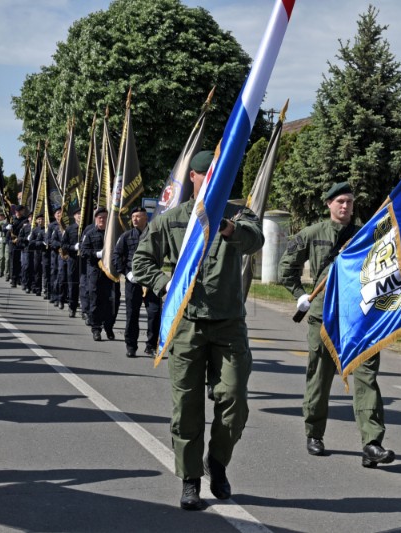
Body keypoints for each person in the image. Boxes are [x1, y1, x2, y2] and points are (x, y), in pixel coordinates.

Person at [132, 151, 264, 510]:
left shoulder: (237, 215)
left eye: (219, 176)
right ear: (193, 177)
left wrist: (228, 228)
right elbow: (140, 261)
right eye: (206, 175)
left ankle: (216, 463)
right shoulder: (171, 220)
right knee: (186, 406)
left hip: (228, 323)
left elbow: (256, 240)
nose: (212, 181)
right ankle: (190, 479)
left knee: (234, 401)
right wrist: (166, 283)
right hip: (186, 323)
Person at [277, 182, 394, 468]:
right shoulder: (312, 234)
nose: (345, 206)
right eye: (340, 201)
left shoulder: (365, 235)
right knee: (320, 376)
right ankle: (314, 433)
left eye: (350, 202)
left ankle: (372, 443)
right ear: (328, 204)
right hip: (324, 316)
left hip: (359, 318)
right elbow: (285, 268)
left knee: (367, 377)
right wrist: (299, 295)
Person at [112, 206, 161, 358]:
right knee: (132, 313)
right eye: (133, 217)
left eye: (138, 217)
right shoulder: (126, 236)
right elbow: (116, 256)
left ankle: (151, 345)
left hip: (152, 279)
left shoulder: (155, 235)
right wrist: (126, 274)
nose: (134, 219)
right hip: (133, 281)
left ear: (146, 218)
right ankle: (131, 345)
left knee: (154, 312)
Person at [80, 207, 117, 341]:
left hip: (111, 273)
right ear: (96, 219)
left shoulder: (113, 234)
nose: (102, 220)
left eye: (105, 217)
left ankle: (109, 327)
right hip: (95, 271)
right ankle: (96, 329)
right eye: (100, 217)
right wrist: (97, 254)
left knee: (111, 301)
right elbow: (83, 252)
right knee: (95, 300)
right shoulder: (90, 234)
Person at [60, 211, 81, 318]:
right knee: (73, 284)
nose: (80, 215)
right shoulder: (69, 229)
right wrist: (73, 247)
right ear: (74, 216)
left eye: (82, 213)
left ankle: (85, 310)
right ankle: (72, 307)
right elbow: (63, 245)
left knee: (86, 286)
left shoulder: (89, 228)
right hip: (73, 259)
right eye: (78, 213)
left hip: (85, 260)